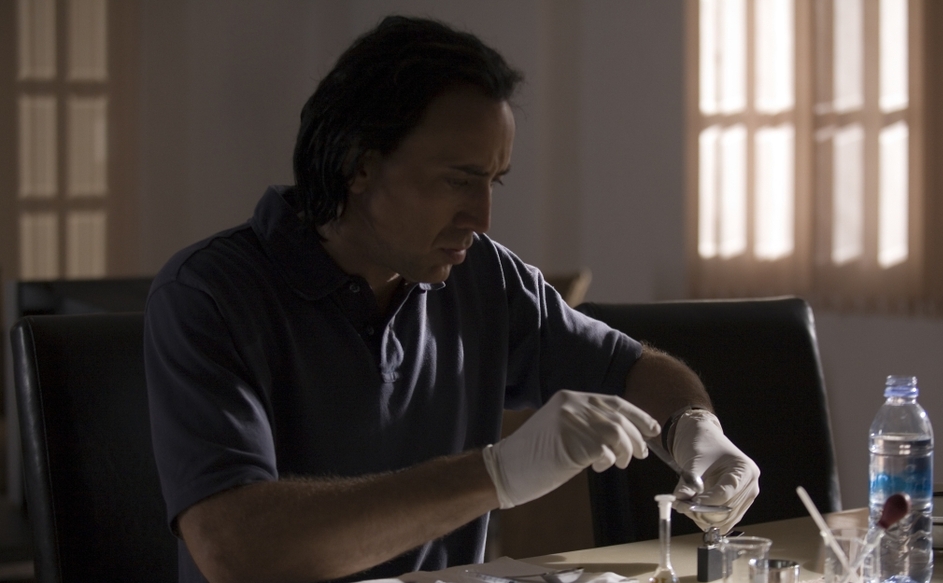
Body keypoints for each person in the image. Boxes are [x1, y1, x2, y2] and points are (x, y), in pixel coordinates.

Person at [144, 15, 760, 583]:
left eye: (493, 181)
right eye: (458, 180)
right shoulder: (208, 295)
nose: (482, 217)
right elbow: (236, 550)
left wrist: (695, 431)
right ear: (359, 166)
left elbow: (634, 370)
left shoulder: (483, 277)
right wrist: (495, 473)